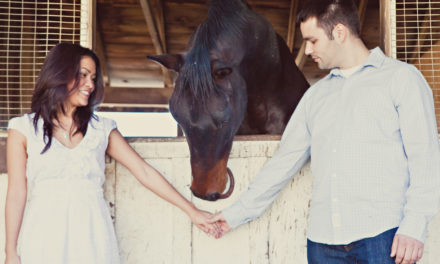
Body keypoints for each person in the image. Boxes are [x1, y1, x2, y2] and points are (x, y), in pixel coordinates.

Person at [208, 0, 440, 263]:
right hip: (322, 244)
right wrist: (235, 214)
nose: (307, 50)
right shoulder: (315, 96)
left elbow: (426, 159)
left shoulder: (402, 79)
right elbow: (284, 162)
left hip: (384, 237)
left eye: (313, 40)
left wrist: (415, 226)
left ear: (339, 33)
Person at [4, 43, 217, 264]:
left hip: (92, 236)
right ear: (60, 73)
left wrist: (192, 211)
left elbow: (143, 171)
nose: (90, 84)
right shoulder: (23, 129)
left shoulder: (101, 129)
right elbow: (16, 193)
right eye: (84, 75)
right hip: (42, 236)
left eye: (93, 78)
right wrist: (10, 251)